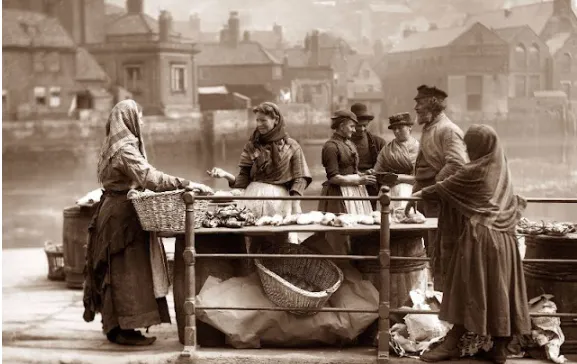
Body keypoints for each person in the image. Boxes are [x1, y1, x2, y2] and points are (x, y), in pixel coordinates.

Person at [83, 100, 213, 346]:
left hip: (114, 211)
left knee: (117, 270)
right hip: (122, 217)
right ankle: (122, 329)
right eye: (139, 116)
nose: (141, 121)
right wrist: (184, 183)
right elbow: (149, 177)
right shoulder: (125, 149)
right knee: (125, 272)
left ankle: (117, 326)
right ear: (129, 119)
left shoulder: (112, 146)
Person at [414, 124, 531, 364]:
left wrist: (416, 196)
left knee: (465, 287)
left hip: (482, 238)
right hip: (506, 238)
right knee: (500, 289)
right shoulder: (501, 166)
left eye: (470, 147)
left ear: (478, 148)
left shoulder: (476, 170)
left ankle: (452, 343)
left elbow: (444, 188)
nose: (468, 151)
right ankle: (499, 348)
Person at [208, 101, 312, 246]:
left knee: (280, 241)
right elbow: (243, 179)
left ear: (276, 120)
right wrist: (225, 174)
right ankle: (254, 267)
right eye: (257, 120)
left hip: (279, 201)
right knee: (253, 240)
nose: (259, 124)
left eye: (263, 120)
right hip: (252, 199)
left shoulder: (292, 146)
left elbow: (300, 178)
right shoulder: (251, 146)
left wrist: (294, 203)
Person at [404, 85, 469, 290]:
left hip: (440, 201)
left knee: (442, 250)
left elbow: (457, 164)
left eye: (420, 103)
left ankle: (446, 298)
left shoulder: (448, 130)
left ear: (433, 104)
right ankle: (438, 294)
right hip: (427, 200)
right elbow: (423, 166)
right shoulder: (430, 128)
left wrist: (434, 188)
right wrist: (414, 194)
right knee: (431, 249)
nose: (416, 107)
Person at [373, 112, 419, 210]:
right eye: (394, 129)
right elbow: (377, 171)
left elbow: (421, 177)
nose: (396, 131)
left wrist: (399, 178)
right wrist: (374, 174)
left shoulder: (420, 149)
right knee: (385, 219)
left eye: (400, 128)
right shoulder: (387, 149)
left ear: (409, 127)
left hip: (411, 190)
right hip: (388, 190)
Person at [350, 102, 387, 209]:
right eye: (358, 126)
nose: (362, 129)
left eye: (364, 126)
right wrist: (359, 176)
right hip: (350, 183)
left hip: (372, 184)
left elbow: (385, 166)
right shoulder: (343, 144)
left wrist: (374, 171)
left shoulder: (378, 142)